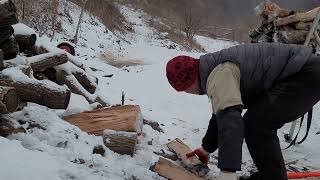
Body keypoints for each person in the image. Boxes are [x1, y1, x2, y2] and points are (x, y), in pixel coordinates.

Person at [165, 43, 320, 180]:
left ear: (188, 83)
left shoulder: (218, 75)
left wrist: (227, 171)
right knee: (256, 122)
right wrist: (207, 149)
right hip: (304, 71)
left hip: (304, 75)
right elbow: (221, 113)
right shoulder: (211, 70)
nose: (189, 93)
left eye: (185, 90)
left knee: (257, 125)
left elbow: (230, 121)